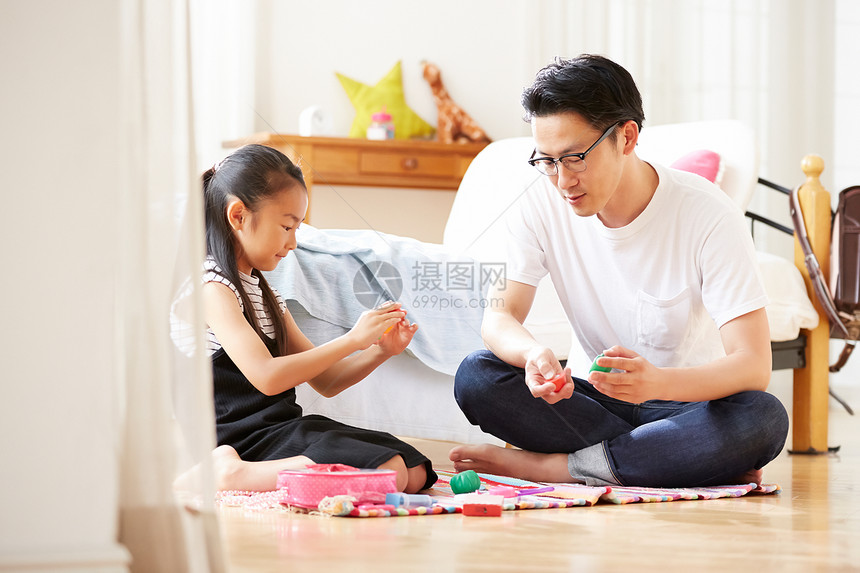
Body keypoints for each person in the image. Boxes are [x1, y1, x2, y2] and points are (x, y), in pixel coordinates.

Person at [449, 55, 789, 488]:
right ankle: (671, 459)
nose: (562, 181)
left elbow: (753, 365)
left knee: (762, 418)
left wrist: (658, 382)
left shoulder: (707, 213)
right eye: (547, 161)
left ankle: (554, 468)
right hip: (593, 402)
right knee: (478, 375)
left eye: (574, 158)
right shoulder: (538, 202)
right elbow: (499, 317)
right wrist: (532, 355)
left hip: (685, 404)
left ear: (627, 136)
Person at [189, 143, 435, 493]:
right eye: (287, 227)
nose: (292, 243)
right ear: (238, 215)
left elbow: (328, 381)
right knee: (388, 475)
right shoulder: (213, 287)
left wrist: (380, 350)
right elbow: (267, 378)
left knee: (413, 470)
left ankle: (266, 473)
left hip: (280, 426)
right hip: (239, 438)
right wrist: (352, 338)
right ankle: (230, 474)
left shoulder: (265, 293)